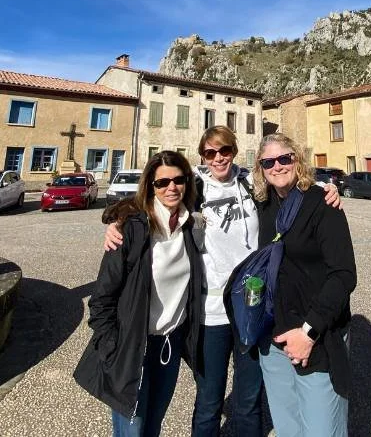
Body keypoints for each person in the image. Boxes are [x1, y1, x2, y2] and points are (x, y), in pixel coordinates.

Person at [103, 125, 341, 437]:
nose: (218, 158)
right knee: (208, 400)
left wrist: (326, 187)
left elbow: (290, 186)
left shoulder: (251, 185)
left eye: (225, 151)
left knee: (248, 398)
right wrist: (115, 221)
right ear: (202, 156)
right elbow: (152, 198)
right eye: (210, 153)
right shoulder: (194, 188)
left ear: (234, 151)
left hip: (251, 309)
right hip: (210, 312)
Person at [74, 150, 203, 437]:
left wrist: (325, 188)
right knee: (132, 429)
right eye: (162, 182)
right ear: (151, 186)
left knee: (154, 423)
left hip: (168, 346)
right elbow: (102, 298)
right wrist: (112, 347)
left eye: (179, 180)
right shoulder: (131, 229)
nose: (172, 187)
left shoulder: (190, 227)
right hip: (132, 346)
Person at [253, 133, 356, 437]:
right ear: (260, 168)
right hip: (274, 339)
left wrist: (309, 332)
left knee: (322, 428)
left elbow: (344, 274)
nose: (277, 166)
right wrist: (118, 219)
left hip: (315, 337)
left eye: (285, 158)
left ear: (297, 161)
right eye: (268, 161)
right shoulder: (263, 205)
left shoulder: (322, 203)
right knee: (288, 428)